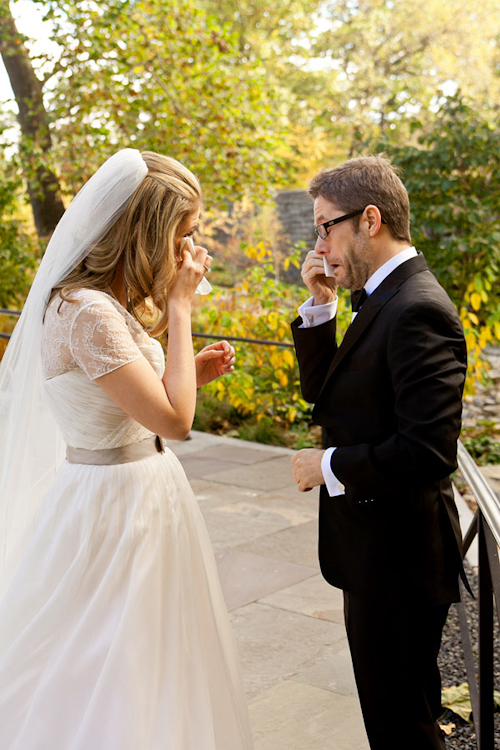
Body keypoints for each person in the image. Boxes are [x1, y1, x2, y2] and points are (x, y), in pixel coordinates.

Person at [0, 149, 253, 750]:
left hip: (140, 494)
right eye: (184, 233)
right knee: (113, 653)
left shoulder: (98, 303)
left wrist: (188, 367)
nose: (192, 249)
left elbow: (128, 396)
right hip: (114, 508)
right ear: (145, 233)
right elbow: (175, 419)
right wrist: (181, 309)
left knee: (153, 650)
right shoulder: (87, 311)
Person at [290, 155, 467, 750]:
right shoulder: (381, 298)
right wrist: (321, 306)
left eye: (324, 227)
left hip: (399, 562)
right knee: (394, 719)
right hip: (375, 557)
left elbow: (428, 449)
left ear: (369, 219)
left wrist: (328, 466)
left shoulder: (417, 308)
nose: (319, 245)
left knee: (403, 730)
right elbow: (326, 394)